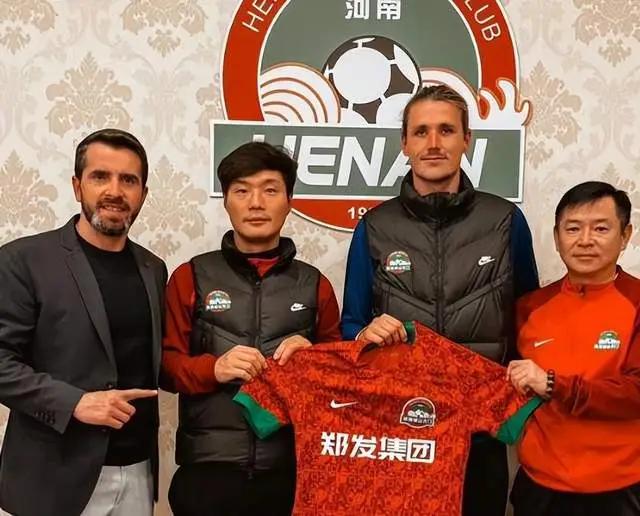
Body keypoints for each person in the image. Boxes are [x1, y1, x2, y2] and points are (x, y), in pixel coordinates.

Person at [341, 84, 539, 516]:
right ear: (404, 143)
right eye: (421, 131)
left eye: (446, 130)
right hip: (399, 433)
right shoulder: (374, 227)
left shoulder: (505, 221)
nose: (433, 143)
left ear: (467, 139)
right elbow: (351, 324)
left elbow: (529, 322)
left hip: (480, 435)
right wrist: (365, 334)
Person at [161, 141, 341, 516]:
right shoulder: (190, 276)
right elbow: (165, 366)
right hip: (208, 475)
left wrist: (315, 360)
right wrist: (214, 368)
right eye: (242, 191)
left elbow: (340, 384)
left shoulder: (315, 285)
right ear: (227, 201)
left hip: (291, 475)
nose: (256, 203)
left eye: (270, 190)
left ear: (289, 201)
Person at [0, 128, 167, 516]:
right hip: (51, 478)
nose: (115, 191)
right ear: (77, 186)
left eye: (129, 180)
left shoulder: (153, 268)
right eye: (100, 176)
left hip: (138, 471)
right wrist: (74, 402)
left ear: (143, 194)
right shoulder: (23, 261)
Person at [507, 181, 640, 516]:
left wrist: (554, 385)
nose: (585, 240)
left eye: (601, 228)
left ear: (625, 235)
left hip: (621, 487)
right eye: (573, 228)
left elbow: (635, 391)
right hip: (539, 485)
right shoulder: (529, 307)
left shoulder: (637, 303)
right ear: (556, 238)